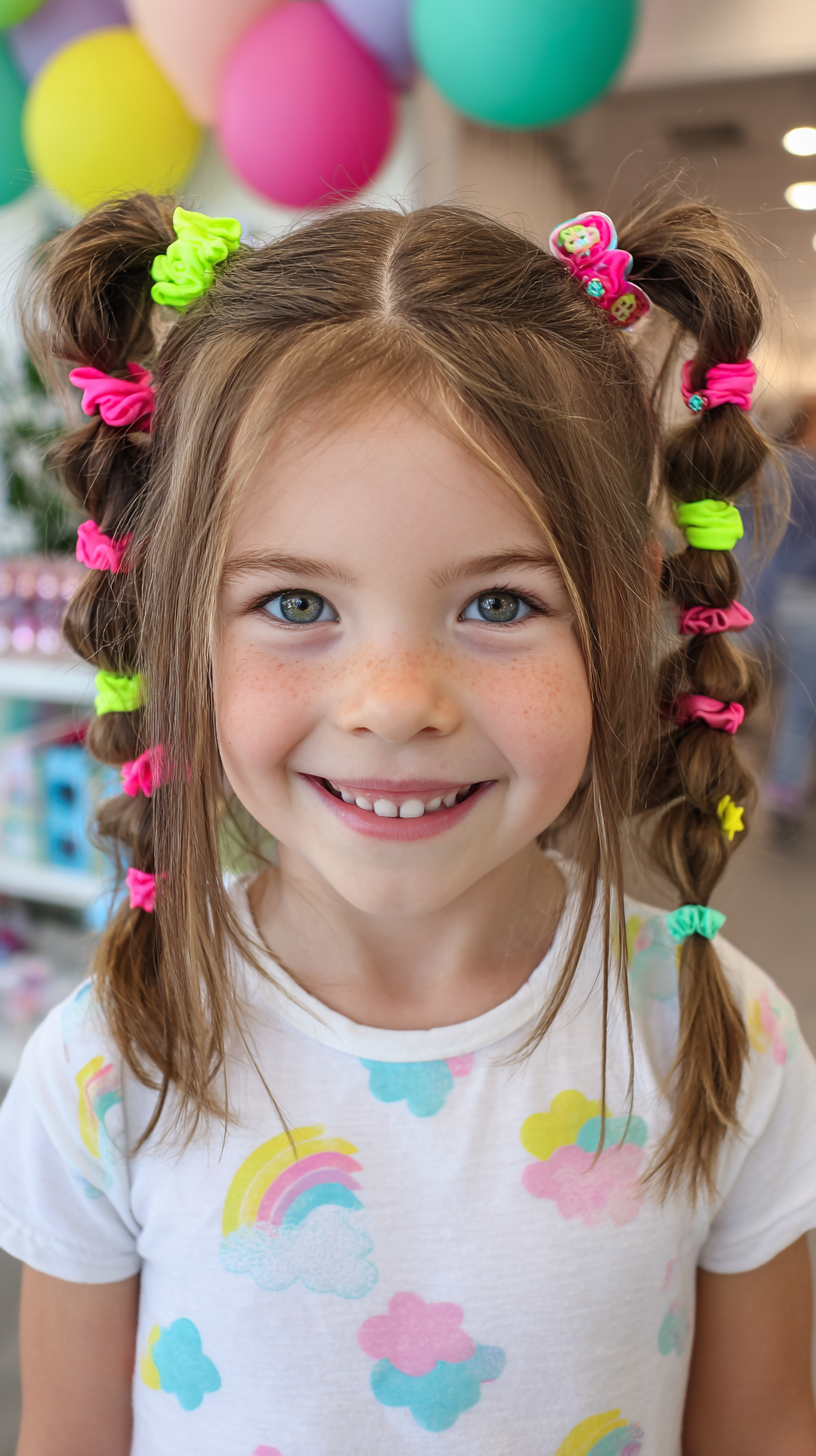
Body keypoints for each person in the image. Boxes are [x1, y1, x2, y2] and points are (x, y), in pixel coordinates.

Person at [0, 192, 814, 1456]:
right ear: (174, 620)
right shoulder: (115, 1061)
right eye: (292, 602)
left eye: (498, 602)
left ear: (625, 607)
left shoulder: (721, 1036)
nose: (393, 703)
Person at [762, 398, 816, 838]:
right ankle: (785, 789)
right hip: (811, 599)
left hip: (775, 598)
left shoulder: (772, 468)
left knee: (792, 700)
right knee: (802, 706)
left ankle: (785, 781)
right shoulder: (810, 472)